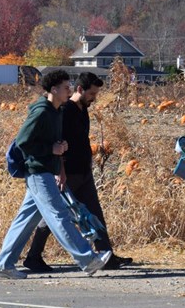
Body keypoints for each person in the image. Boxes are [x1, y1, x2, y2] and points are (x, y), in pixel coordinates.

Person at [0, 70, 111, 279]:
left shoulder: (56, 111)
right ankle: (87, 259)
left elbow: (50, 143)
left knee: (25, 220)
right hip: (38, 171)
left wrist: (59, 154)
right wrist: (51, 149)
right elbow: (23, 141)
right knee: (59, 216)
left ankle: (3, 265)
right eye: (66, 87)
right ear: (53, 89)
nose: (69, 91)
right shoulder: (42, 112)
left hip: (46, 170)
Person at [22, 72, 133, 272]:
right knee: (54, 215)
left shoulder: (83, 109)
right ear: (80, 90)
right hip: (67, 172)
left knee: (94, 213)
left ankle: (106, 256)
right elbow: (58, 141)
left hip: (83, 172)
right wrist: (60, 171)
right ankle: (33, 257)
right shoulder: (66, 110)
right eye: (91, 94)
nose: (94, 98)